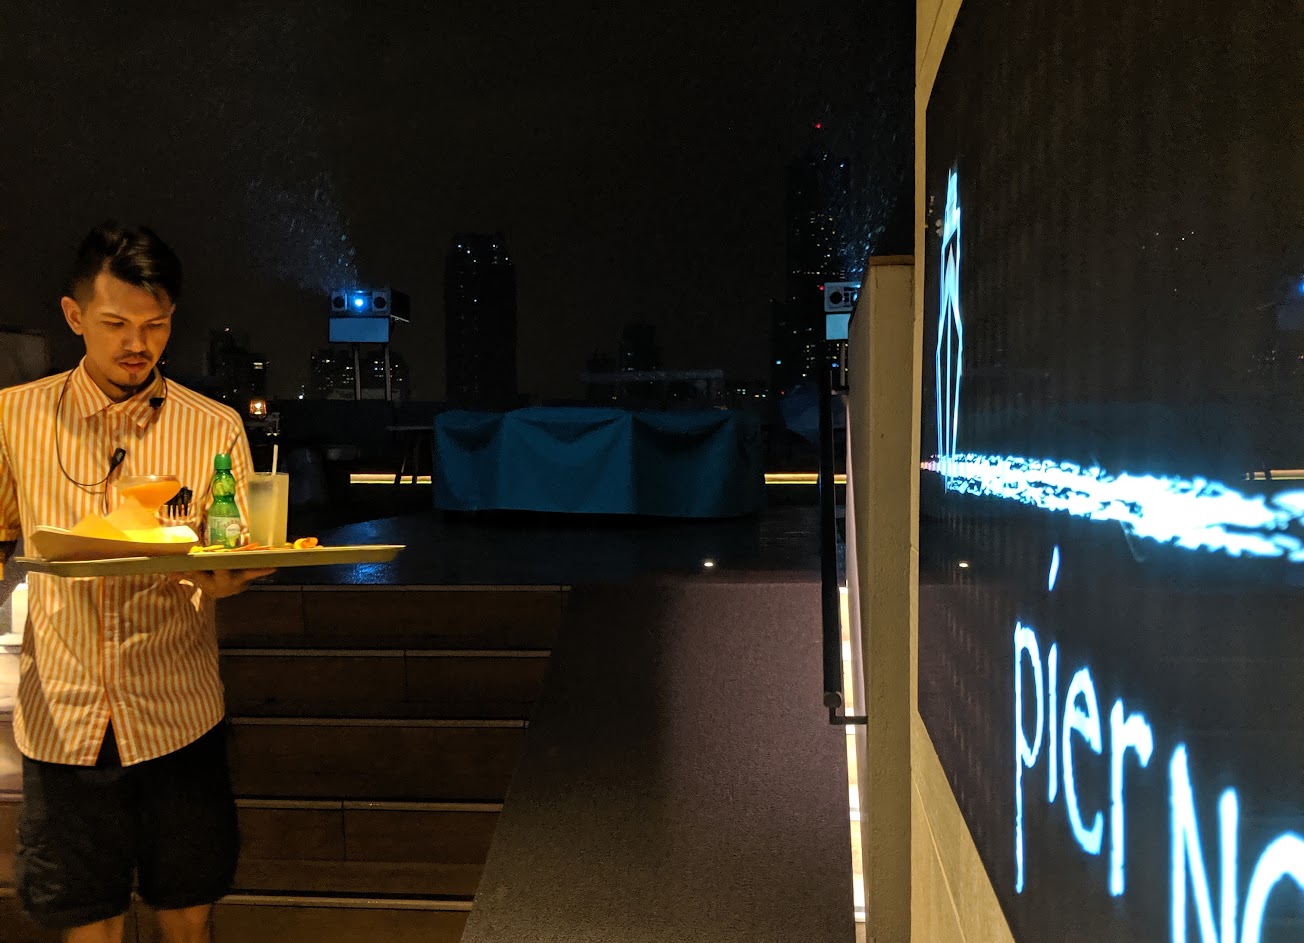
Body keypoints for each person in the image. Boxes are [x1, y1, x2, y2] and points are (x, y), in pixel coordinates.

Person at [0, 223, 273, 943]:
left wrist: (229, 576)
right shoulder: (14, 417)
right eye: (115, 323)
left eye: (155, 325)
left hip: (177, 714)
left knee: (187, 916)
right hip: (63, 720)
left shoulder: (213, 427)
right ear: (74, 315)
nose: (136, 343)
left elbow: (229, 559)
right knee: (85, 922)